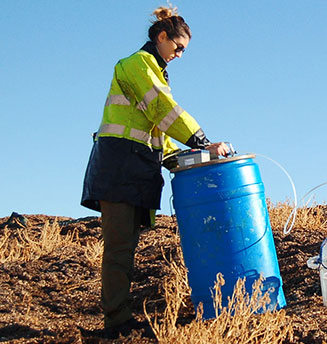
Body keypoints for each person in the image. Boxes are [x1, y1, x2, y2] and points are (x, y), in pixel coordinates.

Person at [81, 5, 229, 338]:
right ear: (161, 37)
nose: (180, 55)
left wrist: (185, 157)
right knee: (119, 249)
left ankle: (119, 317)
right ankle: (115, 322)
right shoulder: (136, 66)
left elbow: (159, 130)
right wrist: (203, 141)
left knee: (126, 249)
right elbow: (164, 110)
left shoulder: (156, 73)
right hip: (118, 168)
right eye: (178, 47)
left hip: (135, 170)